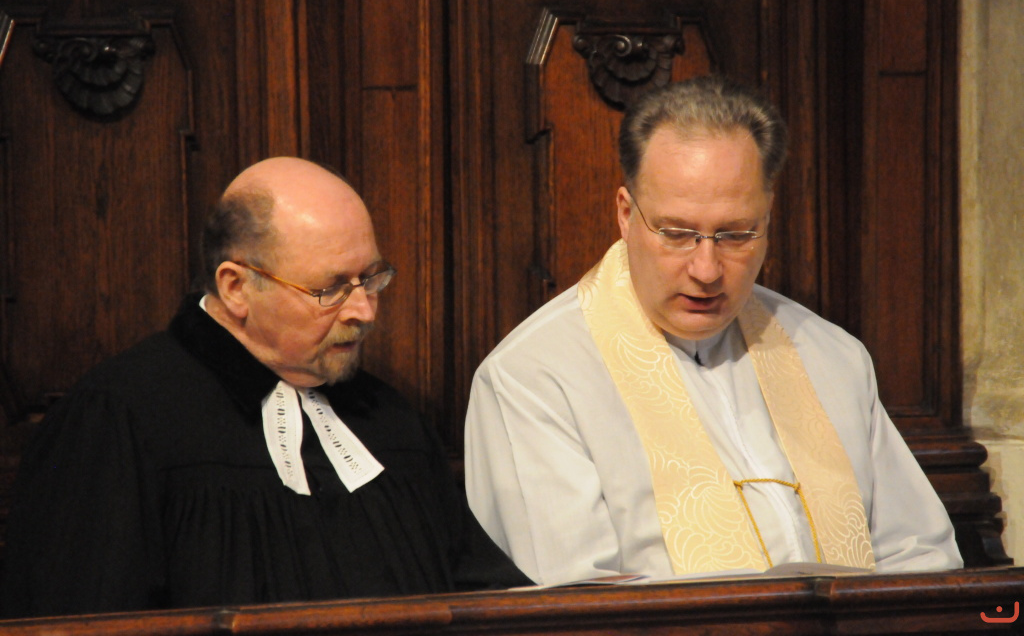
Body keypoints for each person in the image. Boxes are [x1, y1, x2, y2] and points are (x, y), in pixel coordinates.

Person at [464, 75, 963, 586]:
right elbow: (575, 601)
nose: (706, 269)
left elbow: (920, 557)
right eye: (677, 234)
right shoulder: (533, 379)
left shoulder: (831, 356)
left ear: (768, 218)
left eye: (736, 234)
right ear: (625, 215)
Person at [1, 157, 529, 618]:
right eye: (330, 288)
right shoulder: (118, 418)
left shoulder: (389, 420)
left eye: (371, 279)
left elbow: (484, 598)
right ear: (236, 287)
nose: (364, 311)